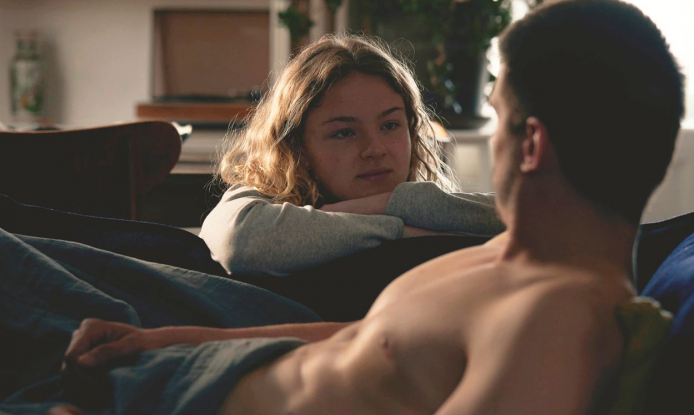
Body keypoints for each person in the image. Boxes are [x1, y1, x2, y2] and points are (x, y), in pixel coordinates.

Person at [35, 0, 685, 415]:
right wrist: (159, 341)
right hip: (178, 381)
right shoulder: (507, 260)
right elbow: (365, 336)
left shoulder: (557, 326)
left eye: (495, 117)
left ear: (532, 145)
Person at [200, 34, 504, 276]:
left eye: (390, 125)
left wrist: (387, 203)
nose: (376, 149)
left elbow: (519, 214)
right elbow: (240, 239)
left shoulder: (424, 206)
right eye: (344, 133)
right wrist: (398, 229)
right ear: (297, 146)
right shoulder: (266, 200)